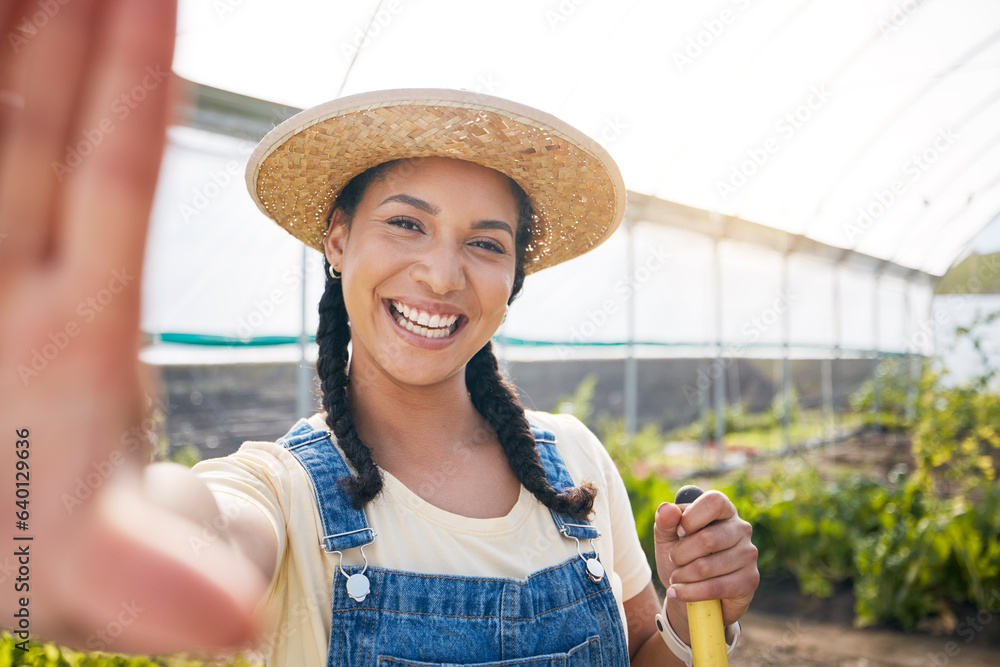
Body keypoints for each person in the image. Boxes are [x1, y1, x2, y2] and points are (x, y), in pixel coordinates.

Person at [0, 1, 758, 665]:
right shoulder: (284, 492)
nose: (441, 274)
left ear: (512, 281)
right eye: (406, 223)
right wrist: (62, 516)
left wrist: (692, 620)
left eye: (486, 242)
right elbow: (206, 525)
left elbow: (636, 657)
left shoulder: (574, 462)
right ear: (337, 241)